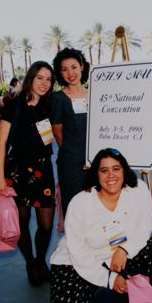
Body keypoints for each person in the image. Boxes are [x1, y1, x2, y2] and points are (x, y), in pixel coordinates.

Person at [50, 148, 152, 303]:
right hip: (78, 262)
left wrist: (125, 249)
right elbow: (78, 253)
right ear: (96, 174)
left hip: (117, 256)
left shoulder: (139, 189)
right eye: (104, 170)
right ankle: (107, 294)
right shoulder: (80, 203)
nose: (111, 175)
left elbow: (145, 226)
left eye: (116, 169)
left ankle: (141, 301)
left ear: (124, 171)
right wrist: (110, 279)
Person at [0, 61, 56, 286]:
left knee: (46, 224)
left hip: (44, 170)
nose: (44, 83)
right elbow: (1, 144)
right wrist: (0, 177)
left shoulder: (50, 104)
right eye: (40, 77)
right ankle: (31, 263)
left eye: (48, 79)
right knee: (22, 221)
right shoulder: (14, 105)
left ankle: (40, 260)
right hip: (17, 171)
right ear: (31, 77)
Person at [50, 48, 90, 215]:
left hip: (96, 163)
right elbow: (58, 134)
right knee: (75, 212)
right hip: (71, 165)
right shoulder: (58, 98)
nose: (70, 73)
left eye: (74, 67)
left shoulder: (95, 94)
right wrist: (73, 153)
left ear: (81, 66)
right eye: (64, 69)